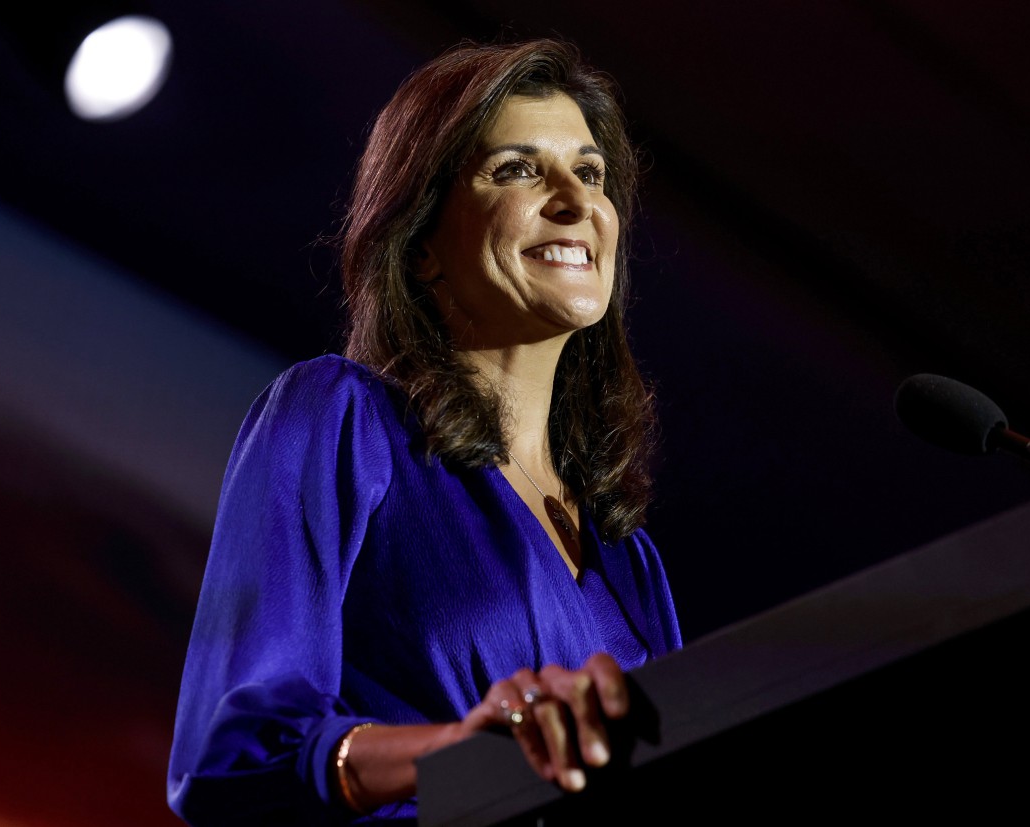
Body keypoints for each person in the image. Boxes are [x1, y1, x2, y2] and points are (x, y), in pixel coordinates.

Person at [166, 37, 682, 825]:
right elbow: (228, 754)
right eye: (516, 169)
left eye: (589, 172)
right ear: (422, 244)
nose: (577, 201)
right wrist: (461, 753)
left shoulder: (630, 561)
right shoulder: (341, 418)